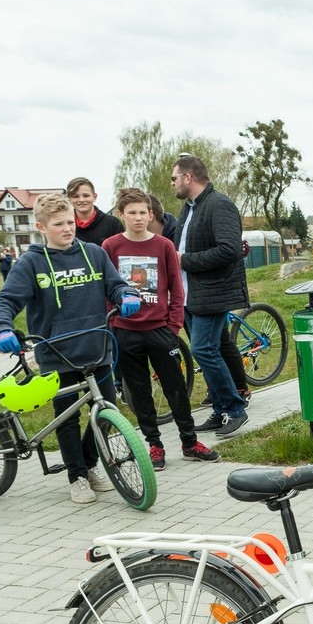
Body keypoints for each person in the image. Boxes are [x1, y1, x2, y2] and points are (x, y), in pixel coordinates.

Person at [0, 193, 141, 505]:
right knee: (67, 419)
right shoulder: (31, 263)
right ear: (41, 227)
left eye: (70, 222)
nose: (67, 228)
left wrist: (126, 294)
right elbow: (7, 300)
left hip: (97, 347)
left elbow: (115, 284)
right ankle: (77, 476)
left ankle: (89, 464)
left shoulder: (94, 253)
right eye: (59, 224)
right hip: (56, 352)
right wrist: (2, 327)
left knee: (106, 412)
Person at [102, 188, 219, 471]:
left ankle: (189, 442)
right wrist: (113, 321)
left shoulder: (164, 245)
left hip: (160, 330)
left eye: (143, 212)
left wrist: (173, 326)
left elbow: (177, 290)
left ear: (150, 214)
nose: (138, 218)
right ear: (121, 215)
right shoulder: (110, 246)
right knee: (139, 392)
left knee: (176, 388)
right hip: (125, 332)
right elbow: (105, 288)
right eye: (132, 213)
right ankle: (154, 445)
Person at [171, 155, 250, 438]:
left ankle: (235, 409)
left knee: (203, 350)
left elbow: (229, 249)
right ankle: (219, 410)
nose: (173, 184)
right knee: (207, 352)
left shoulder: (219, 205)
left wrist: (185, 260)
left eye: (174, 178)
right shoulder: (189, 208)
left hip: (212, 293)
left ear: (188, 177)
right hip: (190, 295)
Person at [66, 177, 125, 246]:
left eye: (86, 196)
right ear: (69, 199)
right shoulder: (63, 225)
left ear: (94, 197)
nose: (81, 200)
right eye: (75, 196)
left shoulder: (112, 224)